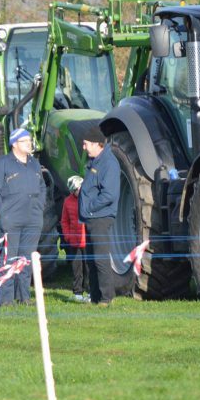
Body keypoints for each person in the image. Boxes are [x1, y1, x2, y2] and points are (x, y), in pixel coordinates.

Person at [0, 127, 46, 307]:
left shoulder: (35, 163)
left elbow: (42, 186)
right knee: (9, 258)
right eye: (25, 141)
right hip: (11, 219)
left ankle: (24, 297)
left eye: (29, 140)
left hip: (33, 219)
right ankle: (5, 299)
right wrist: (3, 211)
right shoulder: (2, 163)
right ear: (14, 144)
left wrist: (40, 206)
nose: (30, 143)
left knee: (26, 259)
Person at [79, 121, 120, 306]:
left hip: (100, 218)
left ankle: (106, 298)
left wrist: (89, 208)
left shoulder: (108, 163)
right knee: (91, 259)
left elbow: (109, 194)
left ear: (97, 144)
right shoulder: (95, 162)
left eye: (86, 143)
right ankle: (95, 297)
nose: (84, 146)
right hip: (91, 217)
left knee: (101, 259)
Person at [61, 175, 89, 302]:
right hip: (74, 241)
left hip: (87, 240)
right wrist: (67, 236)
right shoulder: (67, 202)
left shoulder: (88, 199)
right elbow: (64, 221)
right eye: (76, 189)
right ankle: (77, 292)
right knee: (77, 268)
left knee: (88, 267)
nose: (79, 191)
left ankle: (89, 292)